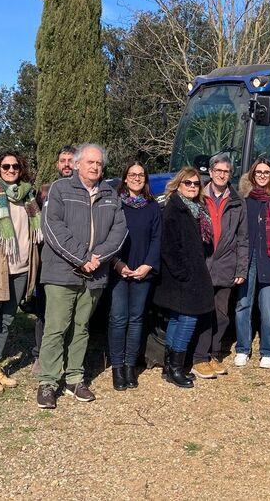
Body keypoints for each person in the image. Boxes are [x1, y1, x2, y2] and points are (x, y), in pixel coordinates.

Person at [35, 144, 127, 409]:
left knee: (81, 327)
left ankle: (75, 378)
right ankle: (48, 381)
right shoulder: (60, 189)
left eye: (99, 163)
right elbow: (52, 227)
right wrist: (82, 257)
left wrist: (98, 256)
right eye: (90, 162)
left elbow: (119, 230)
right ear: (77, 165)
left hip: (95, 273)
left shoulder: (110, 193)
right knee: (56, 327)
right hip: (62, 272)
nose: (95, 167)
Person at [0, 151, 42, 395]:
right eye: (5, 166)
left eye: (15, 166)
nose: (11, 170)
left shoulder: (28, 196)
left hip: (22, 268)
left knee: (7, 320)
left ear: (21, 169)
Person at [154, 167, 214, 388]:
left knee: (179, 319)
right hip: (181, 276)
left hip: (190, 273)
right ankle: (176, 368)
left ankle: (169, 366)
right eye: (187, 183)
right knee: (188, 319)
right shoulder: (174, 208)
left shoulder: (196, 209)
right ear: (178, 185)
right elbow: (168, 246)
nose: (192, 187)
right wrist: (183, 273)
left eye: (196, 183)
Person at [191, 153, 248, 379]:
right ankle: (199, 358)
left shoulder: (237, 201)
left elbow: (243, 238)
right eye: (218, 171)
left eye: (226, 171)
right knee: (203, 312)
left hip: (226, 264)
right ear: (211, 172)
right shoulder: (198, 196)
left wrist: (241, 268)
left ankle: (213, 354)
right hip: (202, 263)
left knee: (222, 314)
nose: (222, 175)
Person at [234, 158, 270, 369]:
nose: (262, 175)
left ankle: (268, 351)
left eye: (266, 172)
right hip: (247, 260)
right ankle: (243, 348)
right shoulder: (243, 199)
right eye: (258, 172)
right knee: (243, 305)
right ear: (252, 175)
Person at [109, 160, 161, 391]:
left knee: (136, 319)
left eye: (141, 175)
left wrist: (148, 265)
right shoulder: (115, 205)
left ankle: (130, 365)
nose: (137, 178)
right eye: (132, 174)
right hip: (118, 270)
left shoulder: (152, 207)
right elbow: (106, 236)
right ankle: (117, 367)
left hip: (142, 272)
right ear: (125, 178)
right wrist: (116, 263)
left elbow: (157, 238)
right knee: (118, 318)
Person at [32, 144, 75, 376]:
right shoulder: (45, 191)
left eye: (71, 160)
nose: (67, 164)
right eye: (63, 160)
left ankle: (68, 355)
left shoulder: (85, 191)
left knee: (70, 312)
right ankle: (40, 355)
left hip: (75, 260)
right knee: (45, 310)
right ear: (57, 164)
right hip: (49, 259)